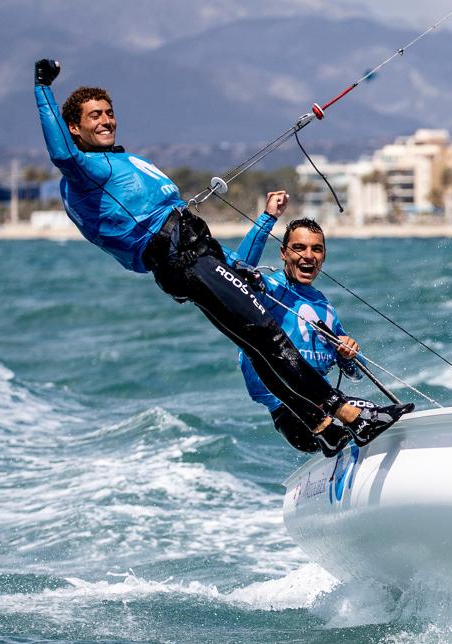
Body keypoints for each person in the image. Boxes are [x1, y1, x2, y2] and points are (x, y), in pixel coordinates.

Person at [32, 58, 411, 448]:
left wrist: (247, 247)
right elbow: (62, 155)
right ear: (74, 128)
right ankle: (347, 414)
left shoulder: (117, 162)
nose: (106, 121)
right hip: (181, 258)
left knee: (258, 338)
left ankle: (322, 425)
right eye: (94, 116)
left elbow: (222, 255)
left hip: (197, 251)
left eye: (110, 113)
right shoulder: (83, 172)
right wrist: (43, 87)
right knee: (266, 334)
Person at [235, 217, 378, 455]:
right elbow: (233, 273)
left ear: (323, 256)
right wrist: (267, 218)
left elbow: (356, 373)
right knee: (371, 418)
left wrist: (349, 353)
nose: (308, 256)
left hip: (331, 406)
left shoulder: (324, 307)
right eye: (299, 248)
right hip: (292, 413)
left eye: (316, 249)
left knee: (380, 419)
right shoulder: (267, 291)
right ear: (283, 253)